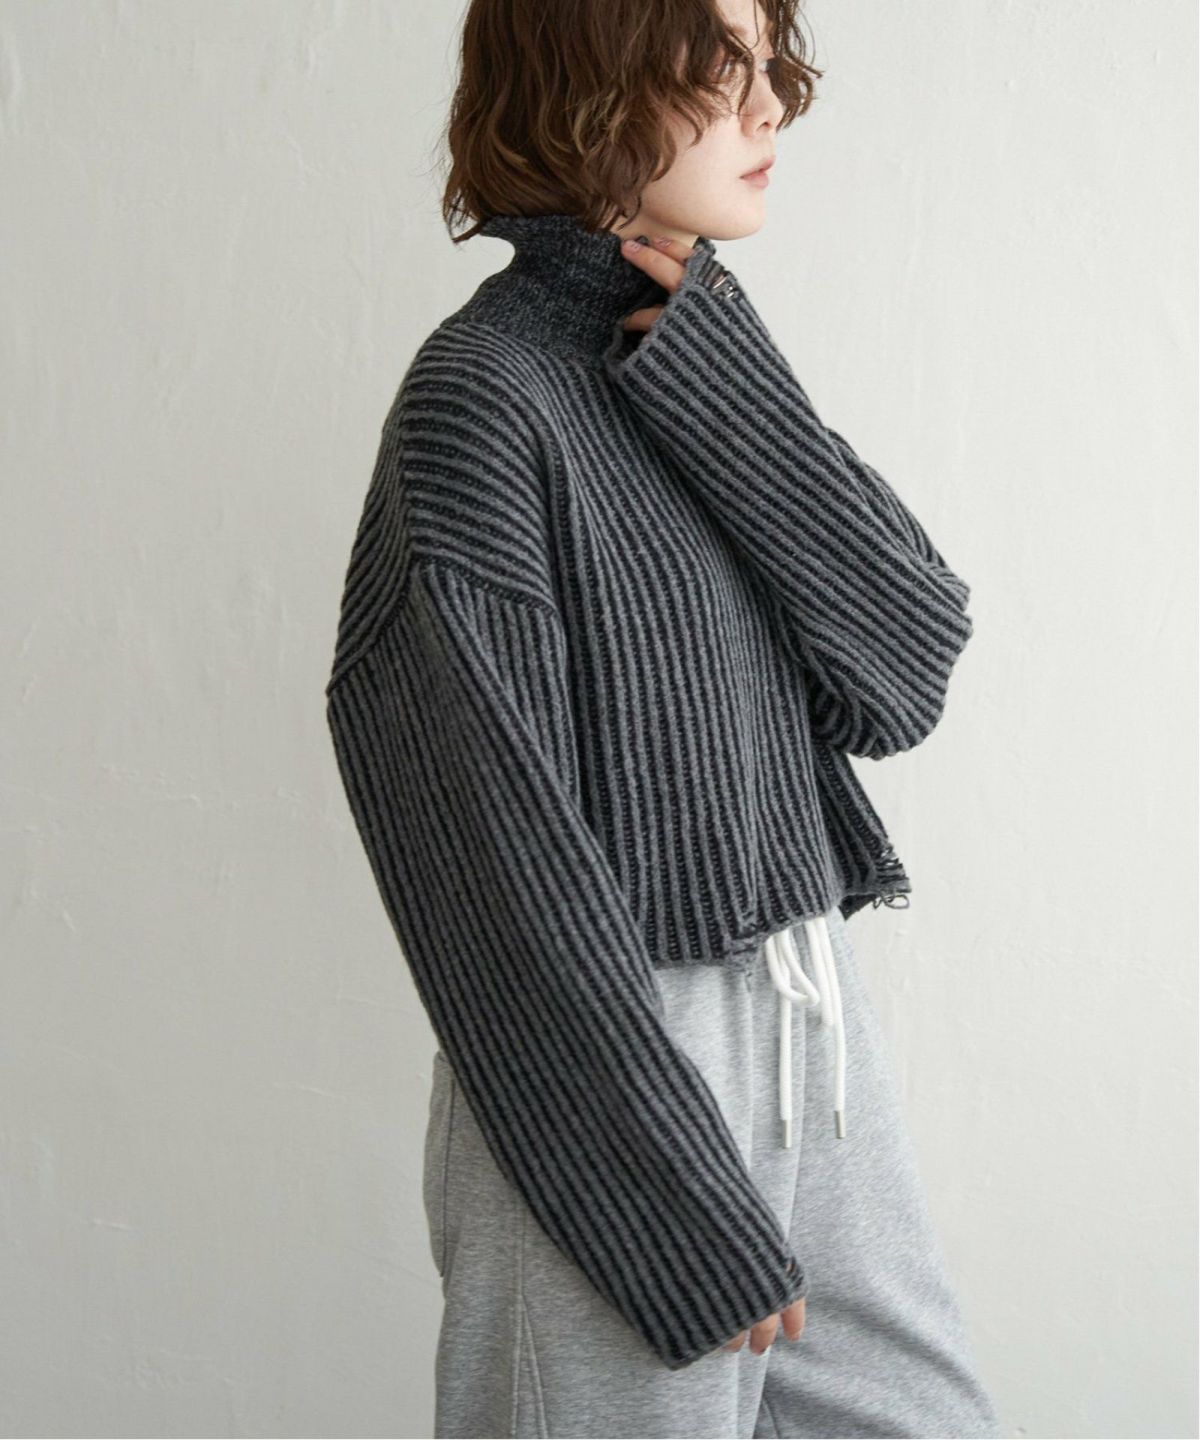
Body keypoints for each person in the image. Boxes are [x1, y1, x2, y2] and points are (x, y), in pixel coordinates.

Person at [324, 0, 1003, 1434]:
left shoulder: (693, 361)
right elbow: (484, 860)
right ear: (586, 80)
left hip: (808, 1015)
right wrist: (653, 1179)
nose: (769, 106)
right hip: (610, 1059)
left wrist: (729, 385)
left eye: (772, 63)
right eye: (718, 63)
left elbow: (904, 667)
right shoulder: (480, 401)